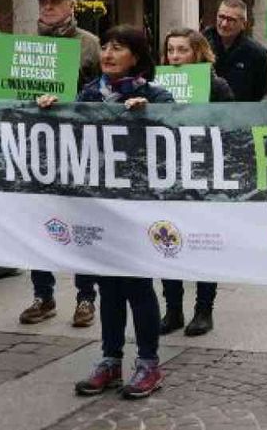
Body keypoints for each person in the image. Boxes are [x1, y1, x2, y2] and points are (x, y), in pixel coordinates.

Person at [45, 26, 173, 400]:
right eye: (105, 46)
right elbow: (72, 133)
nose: (108, 52)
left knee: (137, 285)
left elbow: (179, 127)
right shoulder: (88, 94)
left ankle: (149, 362)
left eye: (118, 47)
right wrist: (52, 111)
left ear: (136, 56)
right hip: (99, 204)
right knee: (109, 286)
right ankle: (110, 359)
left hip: (137, 206)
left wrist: (151, 114)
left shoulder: (153, 94)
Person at [19, 0, 102, 329]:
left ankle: (86, 296)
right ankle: (43, 294)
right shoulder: (26, 46)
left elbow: (101, 92)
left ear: (71, 6)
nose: (47, 7)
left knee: (79, 221)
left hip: (77, 146)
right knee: (40, 221)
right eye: (42, 2)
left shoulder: (89, 44)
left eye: (54, 2)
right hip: (37, 147)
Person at [158, 28, 234, 337]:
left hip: (204, 172)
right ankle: (173, 309)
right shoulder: (157, 86)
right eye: (170, 51)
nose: (175, 58)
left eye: (182, 51)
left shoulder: (217, 86)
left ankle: (204, 310)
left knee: (203, 241)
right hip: (169, 172)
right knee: (167, 239)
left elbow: (231, 127)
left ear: (198, 53)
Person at [205, 0, 267, 102]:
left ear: (243, 24)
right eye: (221, 17)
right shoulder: (201, 44)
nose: (224, 24)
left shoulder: (256, 53)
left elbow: (260, 90)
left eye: (231, 20)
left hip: (240, 112)